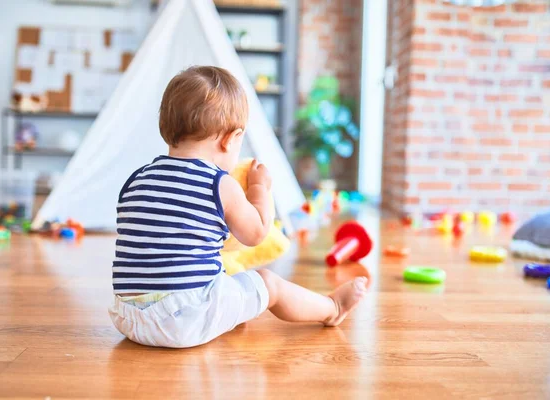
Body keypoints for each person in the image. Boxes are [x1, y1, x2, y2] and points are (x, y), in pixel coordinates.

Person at [109, 66, 367, 348]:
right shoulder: (218, 183)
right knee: (269, 283)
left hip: (128, 317)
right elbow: (255, 234)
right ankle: (333, 308)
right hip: (183, 320)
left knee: (223, 273)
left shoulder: (136, 179)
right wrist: (260, 189)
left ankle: (229, 310)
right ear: (230, 139)